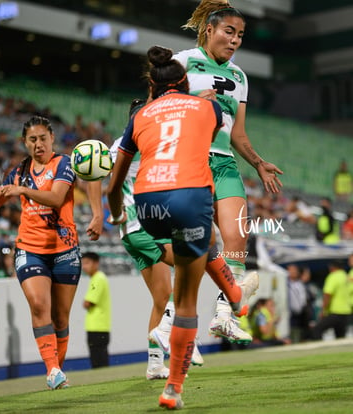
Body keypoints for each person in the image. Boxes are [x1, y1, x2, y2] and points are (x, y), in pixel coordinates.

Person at [107, 45, 231, 410]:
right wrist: (104, 215)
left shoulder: (141, 134)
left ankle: (157, 360)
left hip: (137, 223)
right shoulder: (143, 137)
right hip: (139, 225)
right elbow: (103, 176)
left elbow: (104, 178)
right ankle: (178, 335)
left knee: (164, 296)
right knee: (190, 267)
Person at [0, 115, 103, 390]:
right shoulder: (18, 171)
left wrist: (23, 189)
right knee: (38, 305)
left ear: (52, 139)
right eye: (32, 140)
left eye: (43, 138)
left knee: (60, 317)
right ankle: (52, 371)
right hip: (29, 249)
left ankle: (56, 368)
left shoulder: (65, 164)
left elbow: (58, 197)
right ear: (25, 143)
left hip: (65, 250)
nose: (38, 144)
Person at [174, 0, 283, 344]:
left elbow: (237, 133)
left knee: (237, 237)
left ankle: (223, 314)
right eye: (229, 31)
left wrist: (258, 162)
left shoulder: (239, 77)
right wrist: (195, 104)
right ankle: (170, 329)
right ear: (209, 30)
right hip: (189, 160)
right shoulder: (183, 61)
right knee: (194, 249)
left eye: (240, 35)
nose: (235, 40)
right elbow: (158, 108)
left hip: (223, 162)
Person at [82, 251, 111, 369]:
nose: (84, 266)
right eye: (83, 263)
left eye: (87, 263)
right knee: (100, 358)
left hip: (97, 326)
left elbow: (88, 302)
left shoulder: (98, 278)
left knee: (98, 362)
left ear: (96, 263)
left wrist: (85, 303)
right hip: (101, 326)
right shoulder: (98, 278)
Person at [312, 260, 351, 340]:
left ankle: (320, 350)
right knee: (340, 337)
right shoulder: (346, 276)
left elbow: (327, 294)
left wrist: (323, 310)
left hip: (335, 311)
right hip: (346, 311)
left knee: (317, 329)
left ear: (332, 267)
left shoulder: (333, 276)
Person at [286, 263, 307, 343]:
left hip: (300, 312)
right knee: (291, 330)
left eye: (295, 270)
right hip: (290, 313)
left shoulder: (300, 283)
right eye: (291, 270)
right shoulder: (286, 283)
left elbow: (302, 297)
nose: (294, 272)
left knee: (299, 331)